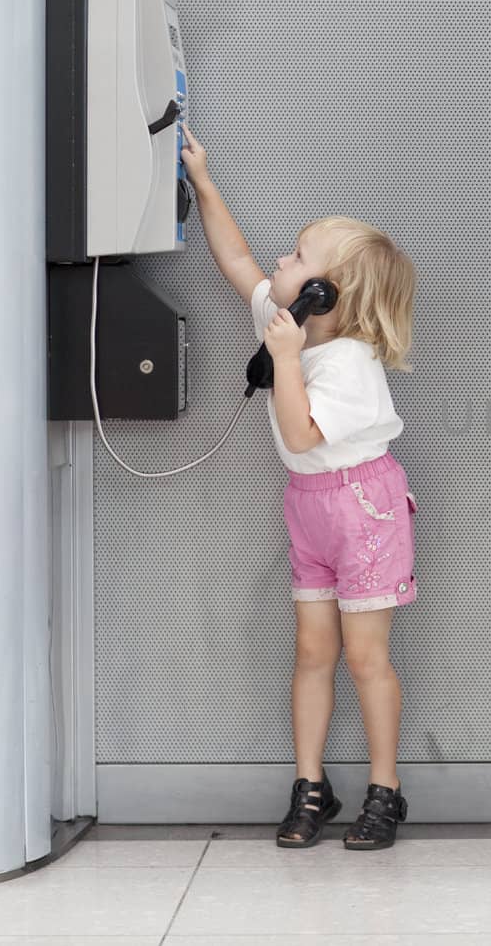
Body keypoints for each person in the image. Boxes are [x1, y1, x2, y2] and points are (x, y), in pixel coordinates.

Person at [181, 123, 420, 850]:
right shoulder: (292, 328)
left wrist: (286, 361)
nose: (280, 262)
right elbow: (236, 260)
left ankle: (387, 788)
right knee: (312, 650)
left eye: (297, 256)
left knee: (363, 655)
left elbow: (303, 432)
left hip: (363, 506)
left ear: (327, 292)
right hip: (311, 509)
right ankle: (310, 783)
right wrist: (204, 180)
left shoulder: (343, 360)